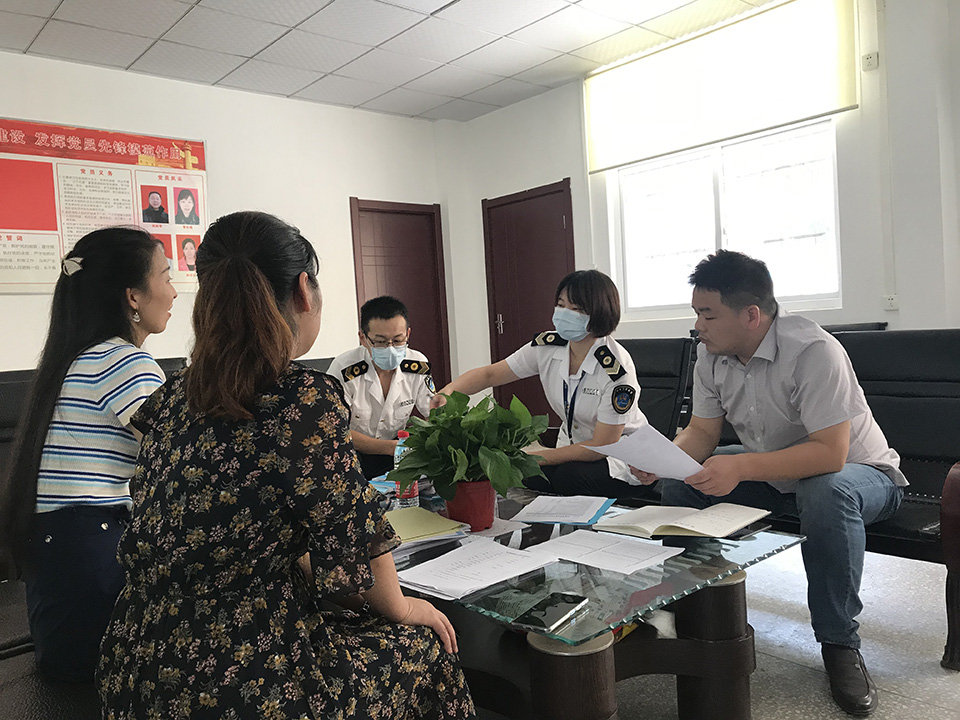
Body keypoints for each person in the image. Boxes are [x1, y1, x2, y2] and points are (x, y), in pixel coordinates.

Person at [97, 211, 474, 719]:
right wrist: (406, 608)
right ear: (303, 290)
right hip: (241, 669)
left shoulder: (173, 396)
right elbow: (356, 537)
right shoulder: (303, 397)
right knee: (426, 648)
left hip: (135, 658)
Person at [632, 250, 904, 716]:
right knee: (685, 483)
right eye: (696, 313)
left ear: (751, 315)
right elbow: (701, 433)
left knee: (825, 489)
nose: (698, 326)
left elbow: (830, 454)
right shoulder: (710, 357)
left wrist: (739, 468)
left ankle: (840, 643)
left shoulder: (813, 351)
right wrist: (665, 461)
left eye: (708, 314)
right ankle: (697, 610)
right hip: (780, 478)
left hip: (864, 477)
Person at [0, 227, 176, 682]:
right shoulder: (124, 363)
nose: (174, 292)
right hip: (93, 570)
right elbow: (185, 461)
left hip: (64, 577)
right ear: (133, 296)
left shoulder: (74, 358)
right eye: (166, 276)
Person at [433, 269, 649, 498]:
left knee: (568, 478)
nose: (564, 314)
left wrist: (535, 457)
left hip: (622, 459)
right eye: (561, 305)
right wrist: (448, 392)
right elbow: (490, 375)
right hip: (572, 450)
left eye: (576, 309)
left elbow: (601, 445)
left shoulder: (616, 370)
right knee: (527, 475)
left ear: (600, 313)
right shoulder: (547, 347)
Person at [327, 296, 435, 479]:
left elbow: (432, 414)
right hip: (350, 456)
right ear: (363, 338)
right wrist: (392, 448)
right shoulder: (344, 369)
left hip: (395, 455)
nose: (390, 348)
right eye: (380, 342)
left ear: (408, 334)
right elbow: (334, 428)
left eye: (398, 340)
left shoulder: (417, 364)